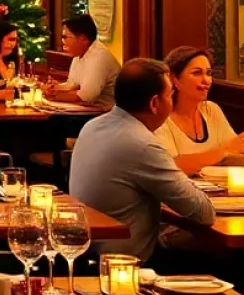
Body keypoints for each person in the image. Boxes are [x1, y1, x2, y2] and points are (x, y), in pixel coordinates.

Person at [69, 59, 215, 260]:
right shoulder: (142, 144)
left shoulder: (92, 126)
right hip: (126, 265)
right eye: (171, 95)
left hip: (86, 252)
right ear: (154, 103)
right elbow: (204, 212)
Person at [154, 47, 244, 176]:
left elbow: (232, 155)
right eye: (197, 73)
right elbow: (170, 167)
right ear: (175, 79)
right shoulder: (161, 118)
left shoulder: (212, 110)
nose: (206, 80)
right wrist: (224, 150)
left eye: (208, 73)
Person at [45, 14, 120, 108]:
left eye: (65, 37)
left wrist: (52, 96)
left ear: (83, 39)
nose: (62, 41)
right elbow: (72, 84)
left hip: (104, 115)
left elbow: (86, 96)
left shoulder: (98, 57)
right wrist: (56, 88)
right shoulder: (78, 55)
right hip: (87, 111)